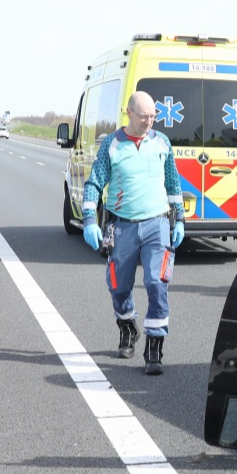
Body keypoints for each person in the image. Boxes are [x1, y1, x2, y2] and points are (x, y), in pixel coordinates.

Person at [81, 91, 184, 375]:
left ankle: (154, 348)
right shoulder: (112, 145)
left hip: (156, 225)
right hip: (122, 226)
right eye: (143, 116)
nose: (149, 121)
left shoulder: (162, 143)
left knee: (156, 282)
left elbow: (173, 184)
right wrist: (89, 219)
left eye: (153, 116)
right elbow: (94, 183)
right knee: (118, 286)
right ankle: (128, 327)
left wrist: (179, 220)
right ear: (129, 113)